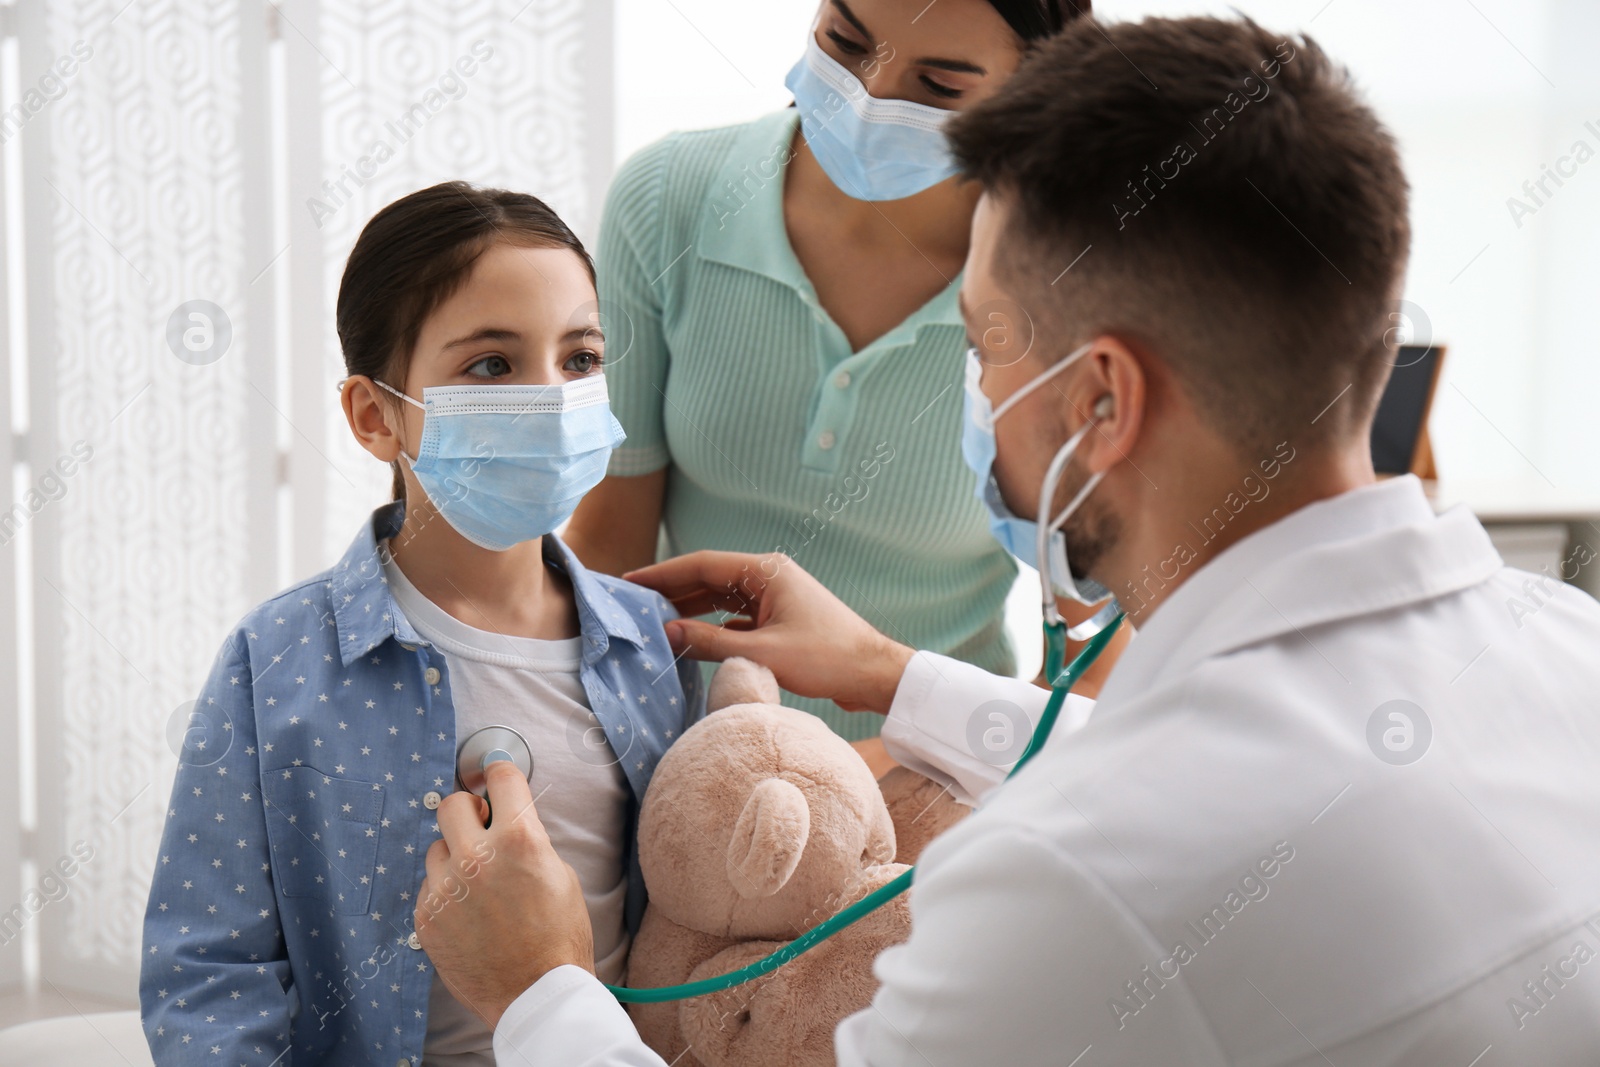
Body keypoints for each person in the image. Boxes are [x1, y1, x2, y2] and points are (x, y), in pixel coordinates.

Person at [416, 16, 1600, 1065]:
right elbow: (1203, 770)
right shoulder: (1566, 648)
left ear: (1100, 402)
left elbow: (1156, 817)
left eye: (982, 342)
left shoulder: (1064, 886)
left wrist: (538, 991)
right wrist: (893, 675)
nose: (973, 380)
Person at [138, 183, 704, 1066]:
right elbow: (211, 972)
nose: (552, 398)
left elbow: (692, 923)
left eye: (581, 357)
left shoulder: (654, 646)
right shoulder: (275, 658)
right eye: (491, 364)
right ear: (375, 415)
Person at [563, 0, 1126, 767]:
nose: (868, 96)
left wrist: (897, 781)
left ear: (1037, 90)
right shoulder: (668, 202)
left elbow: (1094, 663)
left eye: (938, 85)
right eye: (845, 41)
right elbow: (607, 546)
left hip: (938, 786)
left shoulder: (1069, 285)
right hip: (680, 761)